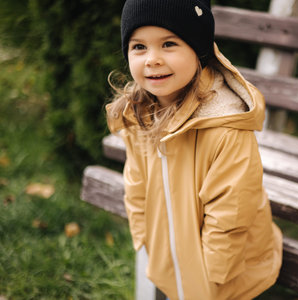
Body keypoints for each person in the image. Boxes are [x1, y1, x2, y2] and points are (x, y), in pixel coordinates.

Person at [106, 0, 282, 299]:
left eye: (169, 43)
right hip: (171, 258)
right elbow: (136, 186)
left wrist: (213, 277)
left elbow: (231, 210)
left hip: (226, 276)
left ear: (198, 51)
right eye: (139, 47)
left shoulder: (225, 126)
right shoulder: (138, 116)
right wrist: (144, 239)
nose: (152, 59)